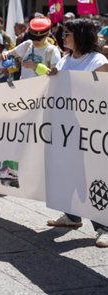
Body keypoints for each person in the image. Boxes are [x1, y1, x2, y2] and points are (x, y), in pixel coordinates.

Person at [46, 18, 108, 248]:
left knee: (92, 176)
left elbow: (97, 91)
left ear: (80, 35)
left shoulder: (97, 60)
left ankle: (103, 227)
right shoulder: (66, 60)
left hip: (91, 128)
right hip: (66, 127)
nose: (63, 37)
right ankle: (71, 216)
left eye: (68, 33)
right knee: (68, 172)